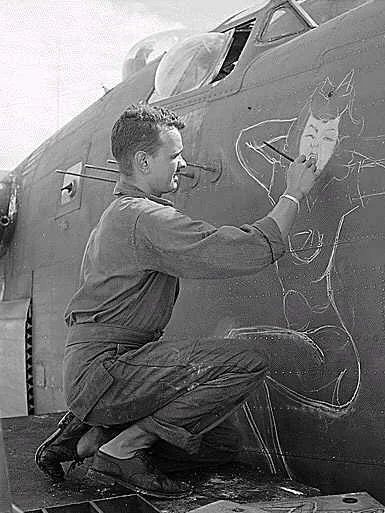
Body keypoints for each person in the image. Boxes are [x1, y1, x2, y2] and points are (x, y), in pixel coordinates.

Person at [35, 103, 320, 498]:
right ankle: (122, 449)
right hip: (108, 369)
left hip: (102, 371)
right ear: (142, 161)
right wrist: (294, 192)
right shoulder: (142, 217)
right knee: (247, 364)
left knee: (220, 445)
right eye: (174, 155)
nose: (183, 164)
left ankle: (85, 440)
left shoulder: (118, 215)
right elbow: (239, 250)